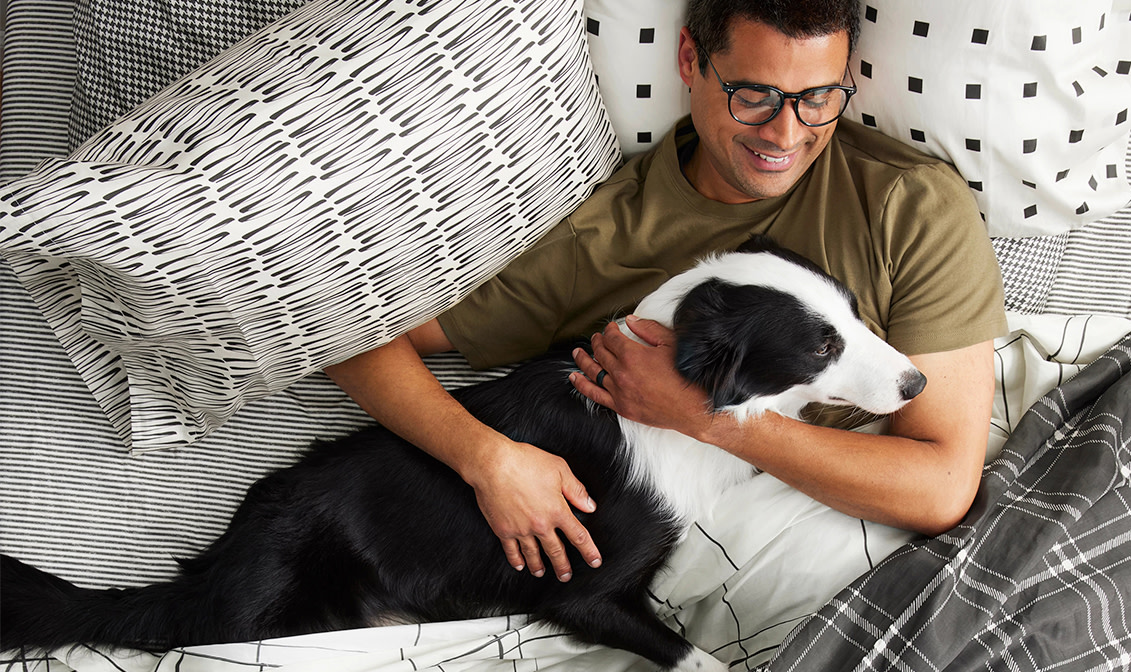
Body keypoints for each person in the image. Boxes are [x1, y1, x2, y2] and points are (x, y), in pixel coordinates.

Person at [325, 0, 1008, 586]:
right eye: (753, 94)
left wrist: (705, 416)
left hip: (900, 537)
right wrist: (487, 459)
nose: (785, 131)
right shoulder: (603, 238)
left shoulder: (908, 203)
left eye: (817, 98)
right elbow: (350, 341)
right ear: (689, 60)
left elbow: (942, 490)